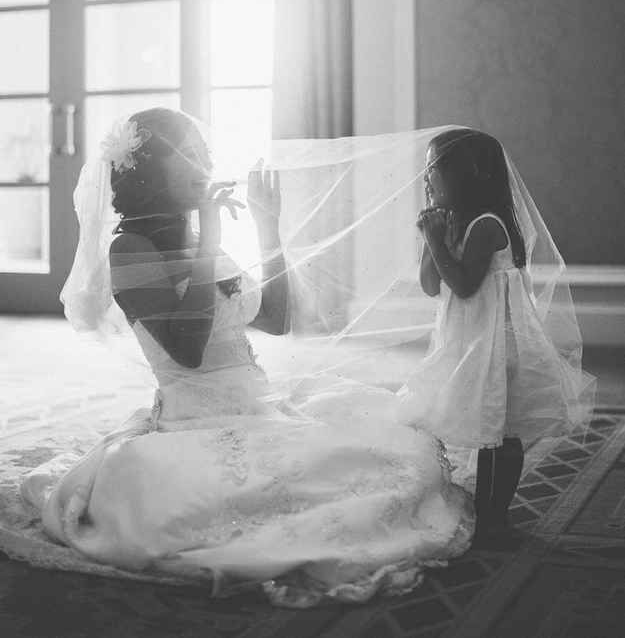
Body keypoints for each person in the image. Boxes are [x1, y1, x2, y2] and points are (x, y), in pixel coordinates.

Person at [16, 110, 474, 608]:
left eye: (205, 154)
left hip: (260, 405)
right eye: (188, 154)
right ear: (149, 169)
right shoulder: (130, 247)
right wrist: (210, 235)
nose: (204, 164)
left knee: (395, 453)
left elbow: (276, 318)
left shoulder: (194, 239)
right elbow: (187, 353)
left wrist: (266, 226)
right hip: (193, 418)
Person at [398, 128, 595, 546]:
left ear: (467, 173)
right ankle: (483, 509)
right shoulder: (455, 221)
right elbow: (432, 285)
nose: (426, 176)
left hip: (496, 342)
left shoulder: (488, 225)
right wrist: (432, 238)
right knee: (478, 419)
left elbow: (466, 284)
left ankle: (495, 516)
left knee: (499, 431)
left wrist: (437, 239)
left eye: (434, 166)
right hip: (468, 340)